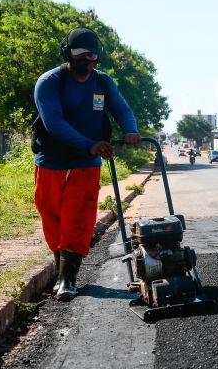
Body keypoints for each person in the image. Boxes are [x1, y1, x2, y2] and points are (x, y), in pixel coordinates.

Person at [33, 27, 140, 301]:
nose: (88, 63)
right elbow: (54, 123)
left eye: (93, 57)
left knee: (78, 218)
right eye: (81, 57)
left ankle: (68, 278)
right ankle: (60, 272)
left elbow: (123, 109)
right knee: (52, 218)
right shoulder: (50, 82)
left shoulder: (103, 83)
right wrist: (89, 144)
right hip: (51, 162)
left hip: (86, 163)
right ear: (67, 54)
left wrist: (130, 128)